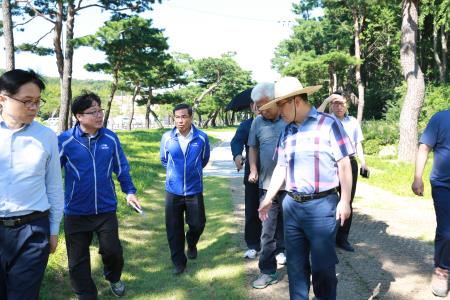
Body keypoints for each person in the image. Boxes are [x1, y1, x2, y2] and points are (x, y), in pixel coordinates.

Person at [258, 77, 354, 299]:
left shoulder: (329, 124)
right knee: (295, 266)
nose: (279, 110)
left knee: (323, 268)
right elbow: (281, 167)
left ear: (296, 101)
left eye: (281, 104)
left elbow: (344, 164)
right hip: (291, 206)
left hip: (322, 206)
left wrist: (345, 200)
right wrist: (268, 198)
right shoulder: (287, 131)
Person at [58, 92, 141, 298]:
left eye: (100, 110)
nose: (99, 115)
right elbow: (50, 174)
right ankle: (86, 295)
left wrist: (129, 191)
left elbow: (121, 168)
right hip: (76, 212)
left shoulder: (111, 138)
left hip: (105, 209)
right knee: (77, 262)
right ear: (79, 116)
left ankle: (113, 277)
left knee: (113, 252)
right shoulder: (65, 141)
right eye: (92, 112)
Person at [0, 69, 64, 299]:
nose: (34, 107)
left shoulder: (46, 136)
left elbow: (54, 186)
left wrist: (54, 228)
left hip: (33, 231)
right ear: (3, 99)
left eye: (37, 101)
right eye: (27, 101)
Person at [160, 103, 210, 275]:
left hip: (194, 189)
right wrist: (175, 175)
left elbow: (204, 159)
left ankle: (192, 242)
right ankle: (179, 263)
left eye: (184, 117)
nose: (180, 121)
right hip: (172, 191)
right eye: (177, 117)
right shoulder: (167, 138)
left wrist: (192, 172)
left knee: (198, 224)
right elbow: (164, 160)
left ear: (191, 118)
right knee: (173, 229)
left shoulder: (202, 138)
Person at [317, 91, 369, 252]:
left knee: (347, 200)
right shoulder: (325, 120)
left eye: (342, 103)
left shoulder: (352, 121)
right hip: (331, 165)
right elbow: (314, 116)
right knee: (329, 200)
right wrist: (326, 99)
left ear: (346, 105)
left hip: (350, 163)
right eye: (335, 103)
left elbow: (358, 144)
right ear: (331, 105)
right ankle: (328, 235)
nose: (339, 106)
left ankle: (342, 238)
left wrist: (363, 163)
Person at [247, 82, 288, 289]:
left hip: (291, 189)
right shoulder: (257, 123)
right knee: (267, 232)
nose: (261, 110)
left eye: (264, 105)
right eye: (258, 106)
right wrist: (253, 169)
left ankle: (300, 269)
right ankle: (268, 271)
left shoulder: (290, 118)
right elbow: (252, 147)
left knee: (293, 231)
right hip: (266, 187)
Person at [412, 109, 450, 298]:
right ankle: (442, 269)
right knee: (447, 231)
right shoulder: (440, 118)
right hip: (444, 184)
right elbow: (424, 147)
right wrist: (418, 177)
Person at [230, 101, 262, 259]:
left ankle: (279, 248)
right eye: (254, 104)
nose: (258, 107)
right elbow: (236, 142)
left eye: (262, 103)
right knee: (252, 210)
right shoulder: (246, 125)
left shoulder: (278, 121)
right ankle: (253, 244)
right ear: (251, 107)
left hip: (275, 174)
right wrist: (237, 155)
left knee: (277, 211)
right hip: (252, 175)